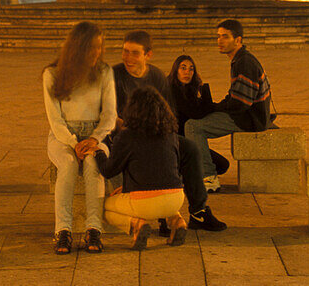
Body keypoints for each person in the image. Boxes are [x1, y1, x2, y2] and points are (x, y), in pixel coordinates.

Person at [111, 31, 226, 233]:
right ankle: (164, 215)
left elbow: (169, 111)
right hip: (125, 134)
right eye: (125, 51)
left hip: (155, 132)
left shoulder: (155, 76)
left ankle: (199, 211)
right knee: (147, 152)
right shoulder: (114, 75)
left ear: (148, 55)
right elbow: (106, 111)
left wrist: (162, 133)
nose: (127, 58)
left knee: (189, 148)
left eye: (134, 53)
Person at [43, 21, 117, 255]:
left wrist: (94, 140)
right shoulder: (52, 74)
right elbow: (55, 120)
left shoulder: (104, 72)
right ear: (77, 48)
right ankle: (62, 231)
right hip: (62, 136)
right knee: (67, 164)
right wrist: (75, 143)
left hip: (97, 135)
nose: (96, 53)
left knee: (94, 164)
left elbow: (110, 115)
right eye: (91, 47)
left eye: (99, 47)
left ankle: (94, 228)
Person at [94, 86, 188, 250]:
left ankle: (137, 224)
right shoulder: (171, 134)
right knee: (161, 200)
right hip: (176, 198)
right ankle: (177, 220)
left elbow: (108, 170)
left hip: (144, 203)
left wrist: (98, 153)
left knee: (102, 208)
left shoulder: (127, 136)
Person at [184, 19, 273, 192]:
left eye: (225, 37)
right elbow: (236, 96)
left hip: (249, 119)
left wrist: (216, 108)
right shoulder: (240, 59)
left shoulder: (244, 62)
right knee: (199, 119)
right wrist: (216, 107)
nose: (220, 41)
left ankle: (209, 178)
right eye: (218, 37)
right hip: (247, 114)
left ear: (238, 40)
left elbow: (240, 103)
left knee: (193, 127)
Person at [169, 54, 230, 177]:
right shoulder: (172, 89)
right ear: (176, 71)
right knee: (218, 165)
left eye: (191, 69)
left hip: (189, 140)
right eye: (183, 68)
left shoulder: (187, 89)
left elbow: (205, 108)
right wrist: (203, 88)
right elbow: (197, 113)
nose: (187, 72)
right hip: (175, 143)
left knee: (222, 165)